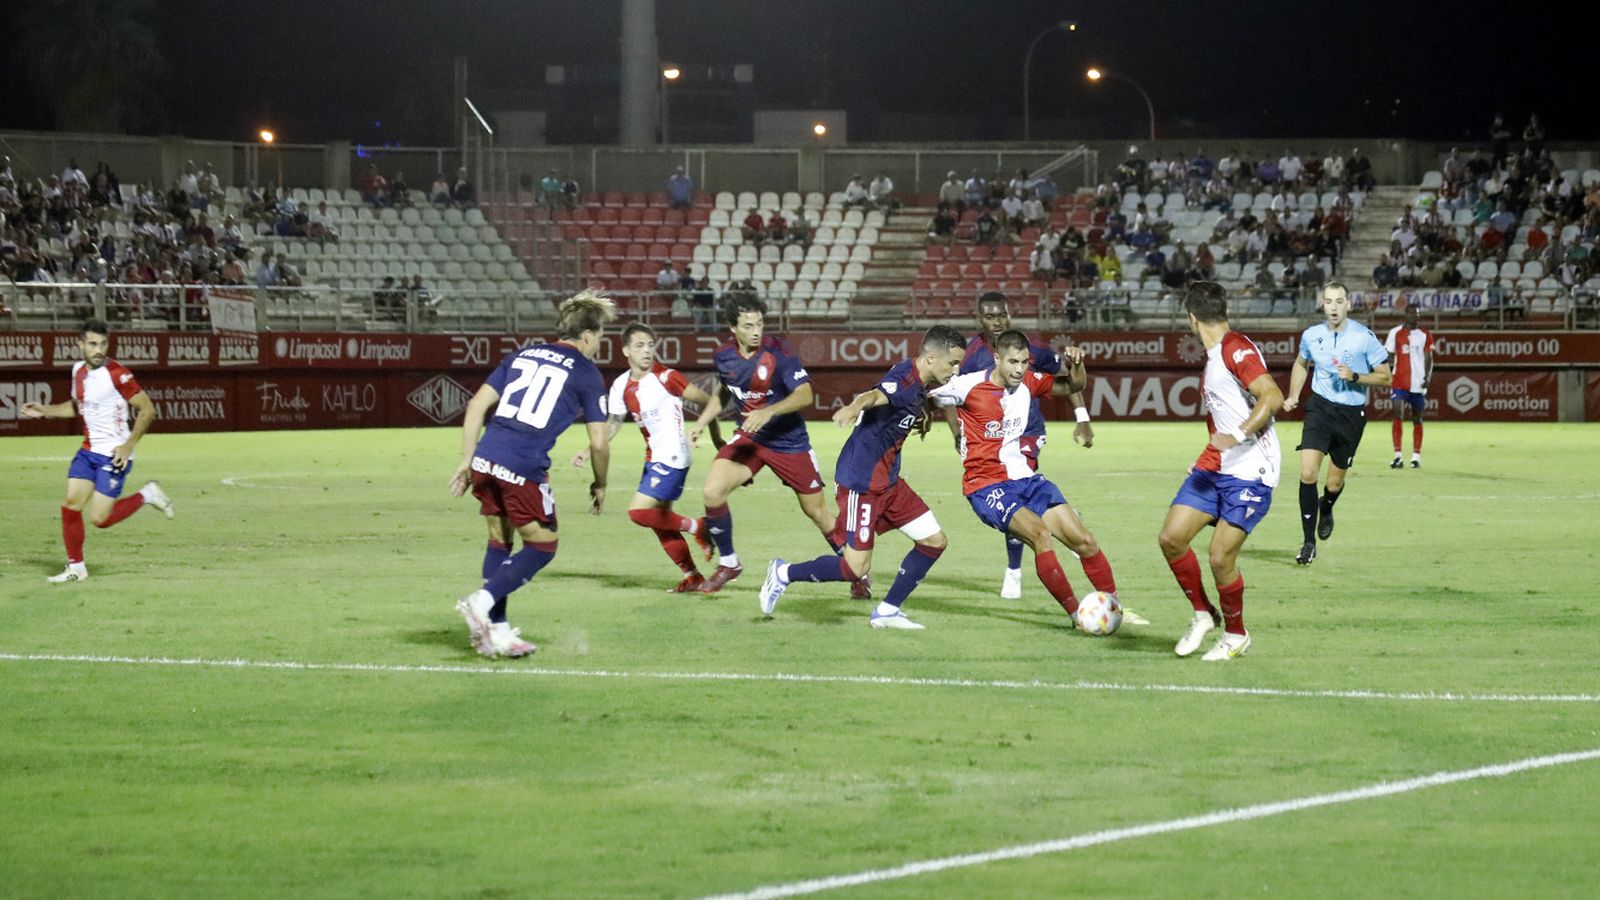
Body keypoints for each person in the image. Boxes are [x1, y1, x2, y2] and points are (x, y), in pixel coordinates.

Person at [757, 326, 968, 629]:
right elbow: (874, 395)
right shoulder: (904, 379)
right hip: (862, 482)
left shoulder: (918, 378)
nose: (956, 370)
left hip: (890, 483)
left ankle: (887, 610)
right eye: (953, 363)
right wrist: (854, 407)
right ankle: (783, 573)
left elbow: (907, 399)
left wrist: (920, 412)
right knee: (856, 568)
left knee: (934, 541)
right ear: (932, 358)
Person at [450, 291, 617, 658]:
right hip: (522, 463)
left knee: (499, 540)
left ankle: (499, 632)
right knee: (542, 546)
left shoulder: (521, 355)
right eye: (601, 335)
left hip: (487, 456)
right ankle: (481, 601)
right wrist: (600, 481)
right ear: (587, 335)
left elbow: (477, 403)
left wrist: (468, 457)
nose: (599, 344)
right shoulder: (587, 373)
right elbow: (599, 443)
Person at [928, 330, 1120, 627]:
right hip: (986, 485)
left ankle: (1114, 608)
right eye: (1013, 362)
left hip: (1026, 479)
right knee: (1040, 535)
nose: (1019, 369)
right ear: (997, 359)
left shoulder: (1030, 381)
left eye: (1024, 362)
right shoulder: (967, 385)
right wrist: (916, 414)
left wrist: (1077, 364)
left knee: (1085, 541)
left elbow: (1073, 384)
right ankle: (1076, 616)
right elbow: (924, 395)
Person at [693, 293, 857, 595]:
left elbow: (805, 394)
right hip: (751, 438)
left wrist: (768, 411)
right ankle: (729, 563)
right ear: (732, 328)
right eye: (747, 325)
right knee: (712, 490)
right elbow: (726, 391)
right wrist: (703, 423)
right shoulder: (724, 356)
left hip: (789, 442)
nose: (756, 331)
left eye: (759, 323)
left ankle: (854, 571)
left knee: (818, 513)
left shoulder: (779, 351)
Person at [1156, 282, 1284, 661]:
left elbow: (1272, 396)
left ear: (1191, 318)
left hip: (1252, 471)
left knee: (1219, 557)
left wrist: (1238, 435)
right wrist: (1208, 456)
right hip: (1218, 468)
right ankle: (1202, 614)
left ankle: (1237, 634)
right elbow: (1224, 418)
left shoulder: (1234, 348)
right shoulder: (1216, 356)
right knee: (1171, 538)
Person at [949, 293, 1105, 604]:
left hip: (1027, 435)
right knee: (1017, 502)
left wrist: (1082, 417)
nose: (997, 321)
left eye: (1001, 315)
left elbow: (1066, 377)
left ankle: (1015, 568)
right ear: (978, 319)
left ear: (1009, 314)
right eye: (989, 316)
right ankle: (1057, 525)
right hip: (987, 440)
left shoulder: (1028, 351)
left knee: (1017, 496)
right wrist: (957, 432)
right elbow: (949, 395)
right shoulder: (969, 355)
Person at [20, 320, 175, 583]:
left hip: (114, 454)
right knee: (70, 505)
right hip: (88, 451)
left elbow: (147, 409)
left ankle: (147, 494)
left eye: (103, 344)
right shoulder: (78, 370)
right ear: (80, 345)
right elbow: (76, 406)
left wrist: (128, 446)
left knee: (100, 519)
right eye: (92, 344)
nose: (98, 349)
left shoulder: (117, 373)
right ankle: (76, 568)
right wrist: (45, 410)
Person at [573, 323, 722, 592]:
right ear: (626, 350)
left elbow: (710, 401)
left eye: (650, 345)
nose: (647, 351)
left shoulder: (667, 377)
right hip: (654, 458)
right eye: (640, 346)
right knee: (661, 522)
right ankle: (693, 577)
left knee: (638, 512)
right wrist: (589, 450)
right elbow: (613, 425)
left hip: (673, 457)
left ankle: (698, 526)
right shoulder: (620, 385)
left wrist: (712, 434)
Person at [1281, 282, 1391, 565]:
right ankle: (1308, 543)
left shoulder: (1364, 337)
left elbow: (1386, 376)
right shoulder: (1311, 335)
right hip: (1319, 408)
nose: (1333, 307)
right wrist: (1294, 394)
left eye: (1339, 301)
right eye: (1328, 301)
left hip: (1350, 416)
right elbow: (1300, 363)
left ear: (1348, 304)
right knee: (1307, 473)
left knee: (1333, 483)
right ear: (1322, 304)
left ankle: (1326, 506)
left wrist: (1356, 376)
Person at [1385, 304, 1435, 469]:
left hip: (1418, 384)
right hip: (1399, 381)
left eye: (1418, 314)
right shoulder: (1395, 333)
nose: (1415, 316)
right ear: (1406, 314)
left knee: (1417, 418)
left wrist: (1427, 377)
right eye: (1412, 313)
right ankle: (1398, 456)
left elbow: (1429, 358)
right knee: (1397, 414)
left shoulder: (1425, 334)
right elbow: (1388, 356)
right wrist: (1387, 374)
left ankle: (1416, 456)